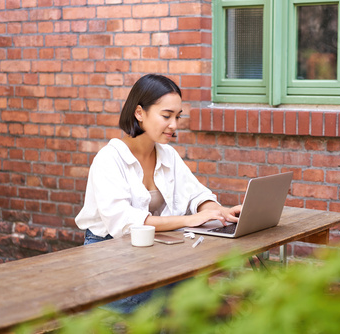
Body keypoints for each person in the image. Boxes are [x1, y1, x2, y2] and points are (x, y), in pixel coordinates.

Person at [75, 74, 242, 313]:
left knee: (209, 303)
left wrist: (219, 212)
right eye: (166, 116)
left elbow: (196, 195)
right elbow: (124, 224)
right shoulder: (108, 160)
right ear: (139, 113)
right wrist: (190, 220)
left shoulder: (167, 155)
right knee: (186, 306)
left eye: (177, 116)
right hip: (111, 262)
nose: (174, 125)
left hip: (153, 258)